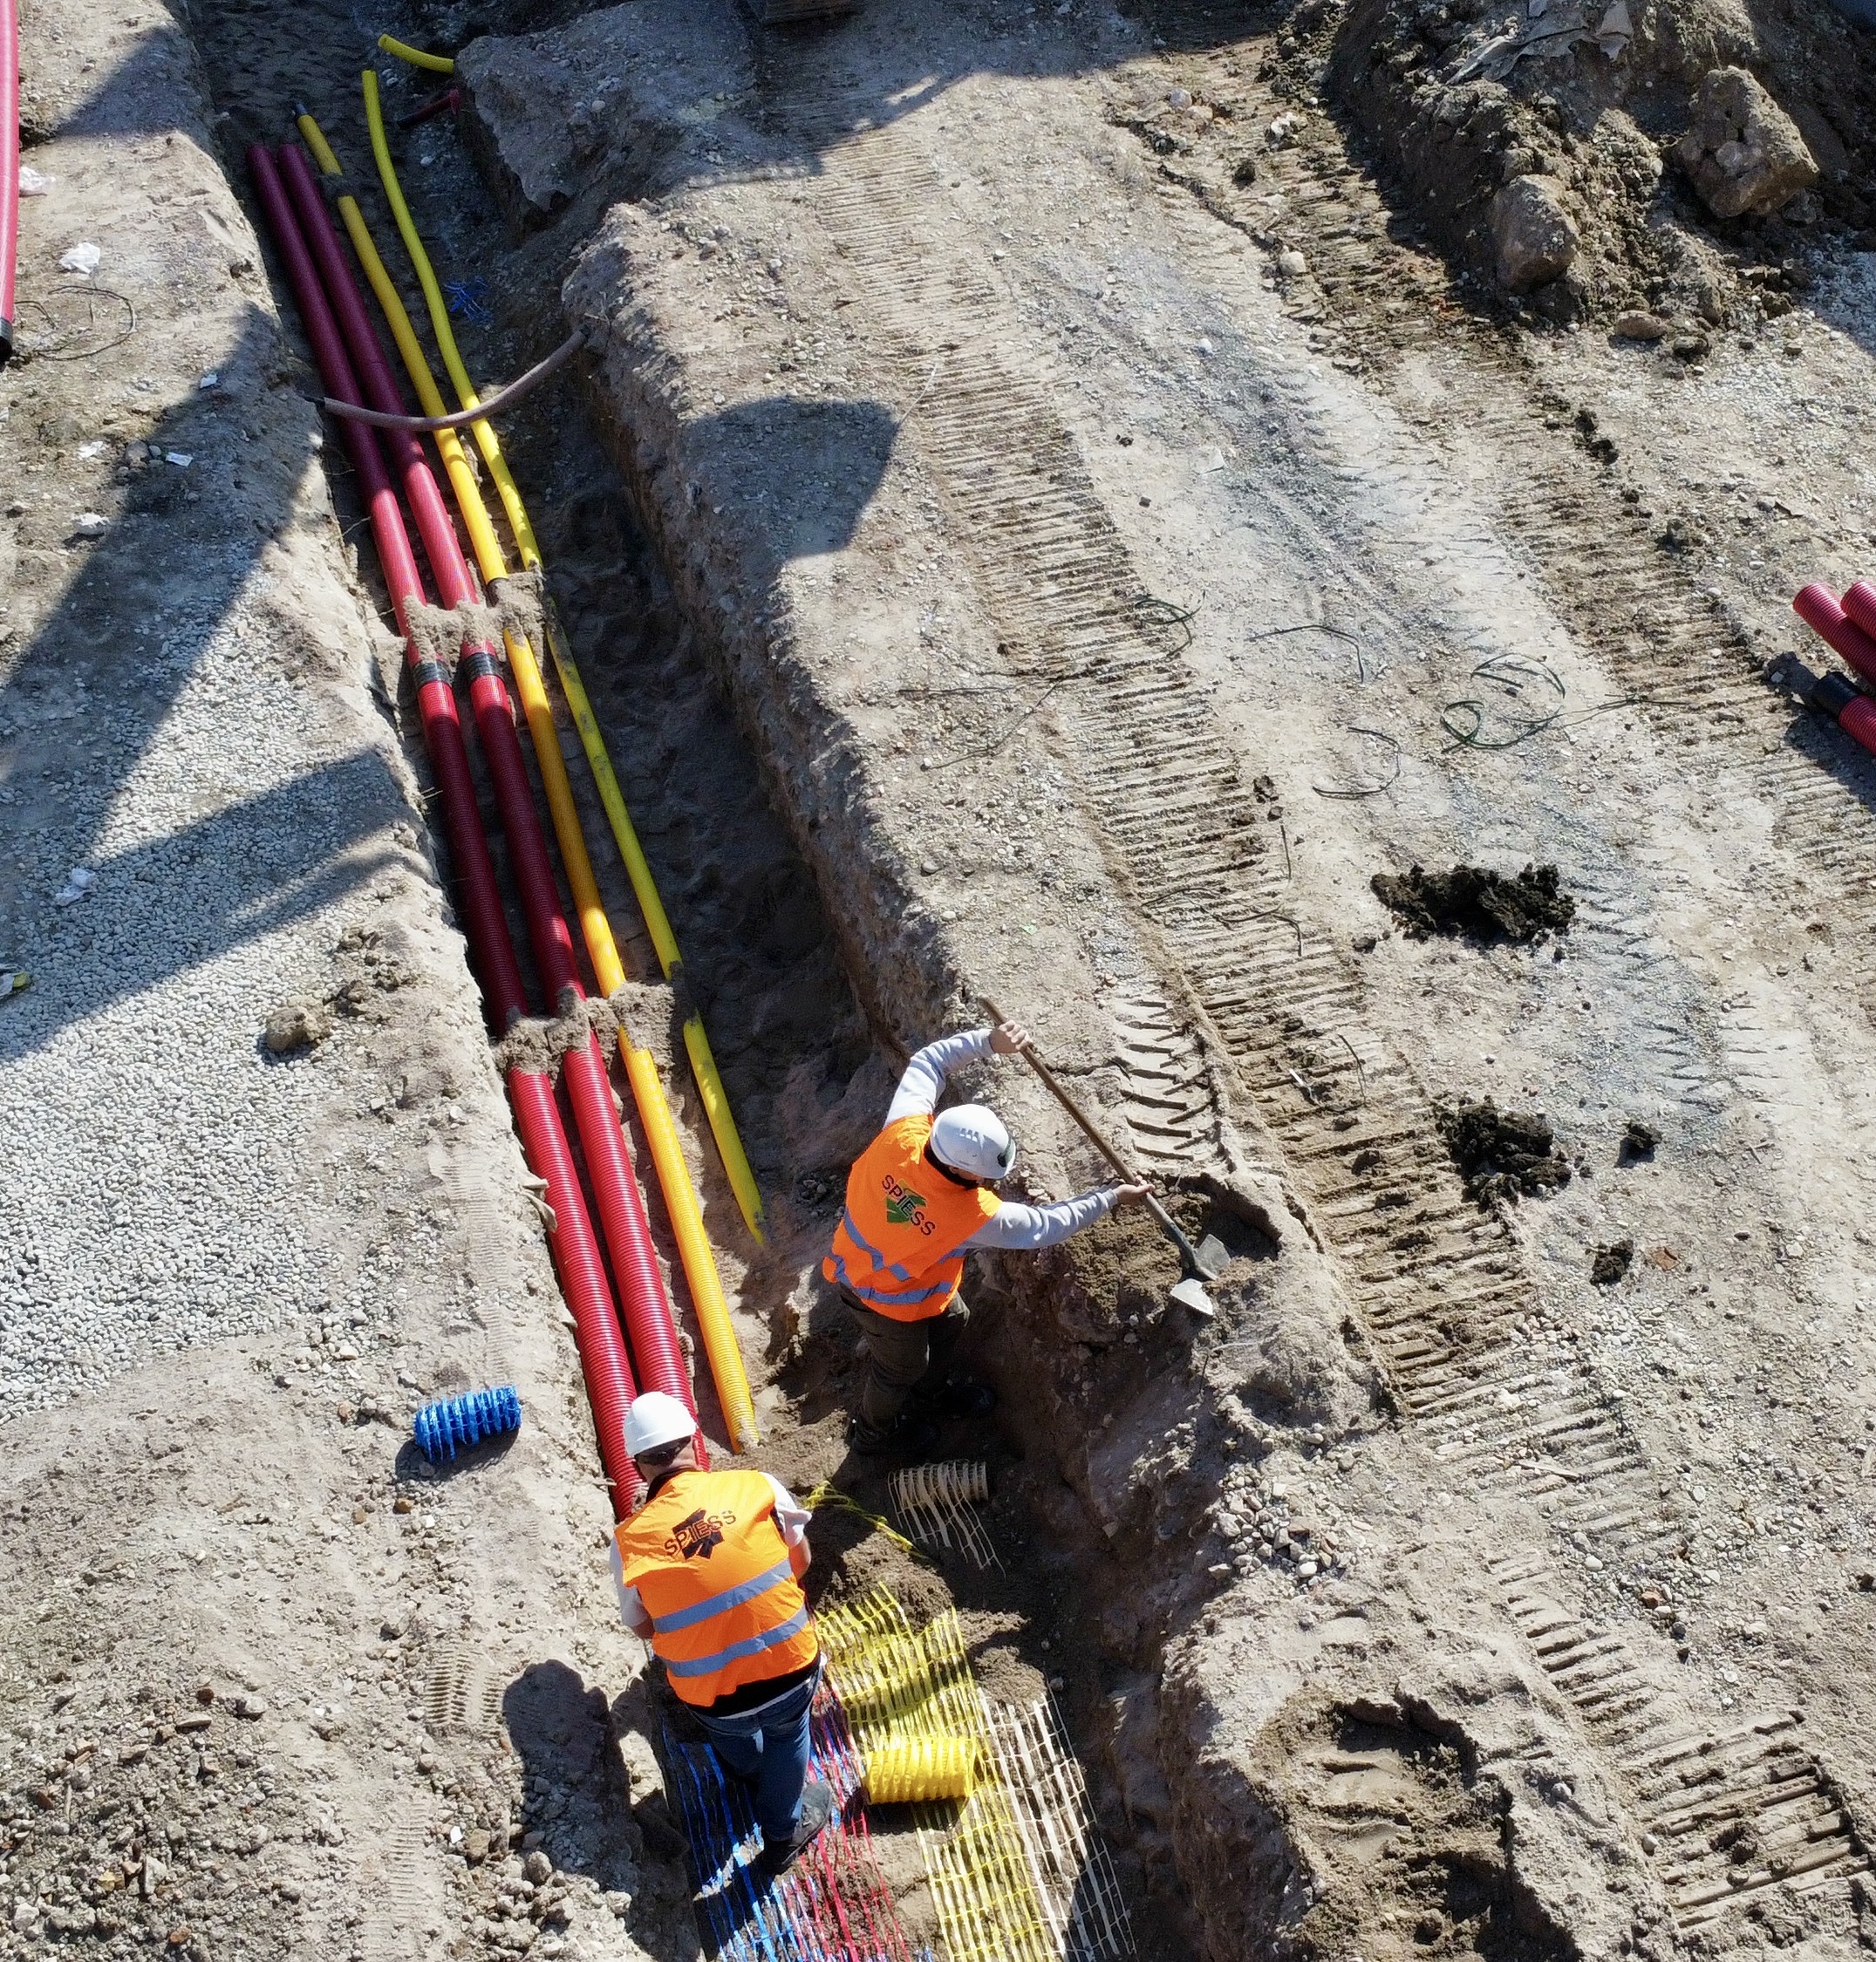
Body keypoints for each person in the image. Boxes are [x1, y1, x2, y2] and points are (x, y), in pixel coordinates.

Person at [824, 1018, 1149, 1453]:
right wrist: (1109, 1198)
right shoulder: (971, 1215)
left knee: (954, 1320)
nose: (990, 1182)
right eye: (984, 1173)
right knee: (900, 1368)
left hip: (911, 1281)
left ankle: (930, 1394)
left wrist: (988, 1043)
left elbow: (928, 1062)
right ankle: (872, 1435)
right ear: (960, 1169)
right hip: (877, 1296)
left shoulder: (903, 1132)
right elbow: (1043, 1227)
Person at [610, 1392, 835, 1877]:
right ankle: (782, 1832)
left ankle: (749, 1775)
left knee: (733, 1732)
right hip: (788, 1669)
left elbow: (641, 1627)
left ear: (637, 1465)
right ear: (693, 1439)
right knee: (787, 1733)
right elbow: (801, 1563)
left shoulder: (628, 1542)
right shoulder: (757, 1486)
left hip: (710, 1697)